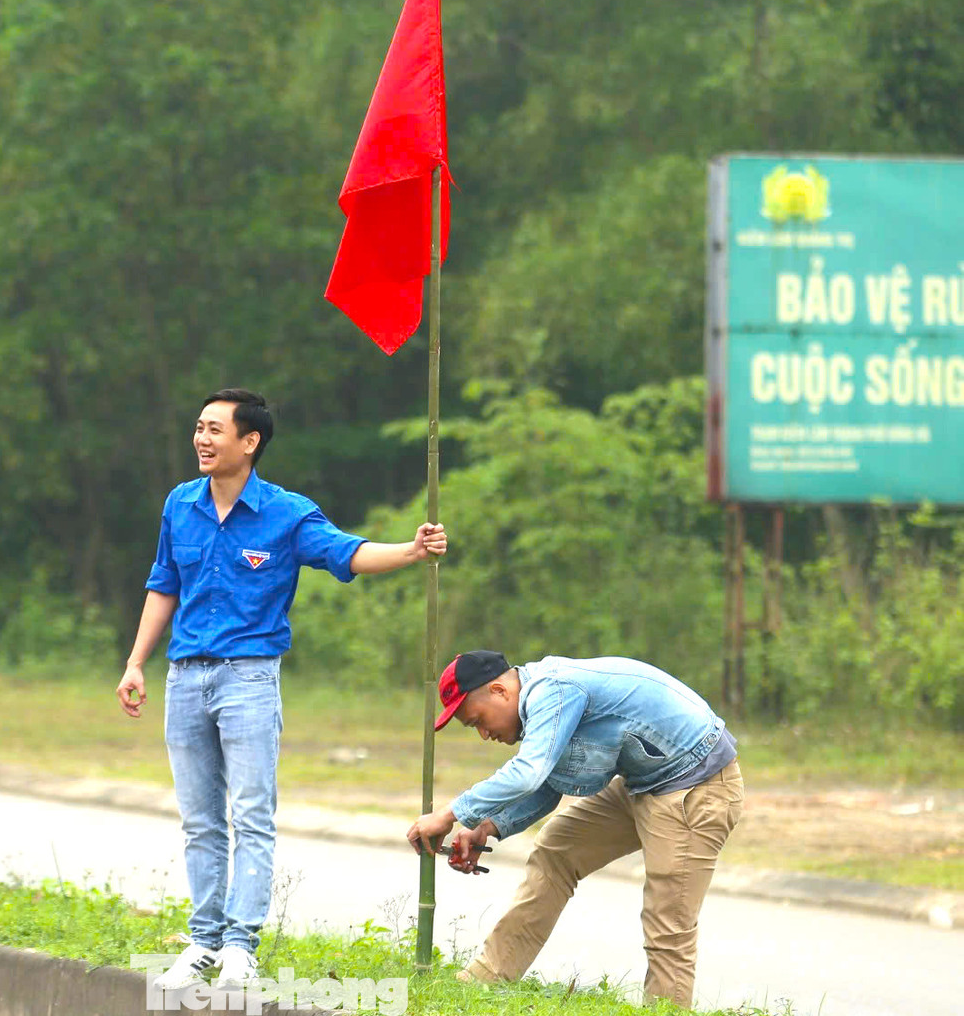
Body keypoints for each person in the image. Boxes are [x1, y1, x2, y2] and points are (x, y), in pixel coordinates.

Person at [119, 388, 446, 992]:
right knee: (199, 820)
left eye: (215, 429)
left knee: (251, 814)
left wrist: (411, 549)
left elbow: (348, 552)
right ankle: (202, 941)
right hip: (185, 677)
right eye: (199, 427)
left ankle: (240, 945)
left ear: (250, 442)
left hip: (248, 679)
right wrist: (136, 662)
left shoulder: (286, 513)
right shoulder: (180, 504)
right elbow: (163, 583)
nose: (202, 439)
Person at [406, 650, 743, 1008]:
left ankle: (665, 1011)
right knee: (556, 850)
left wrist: (450, 814)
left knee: (668, 920)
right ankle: (486, 979)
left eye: (478, 721)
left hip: (697, 785)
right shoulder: (544, 698)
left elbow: (529, 772)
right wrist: (487, 826)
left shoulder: (554, 690)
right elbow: (550, 780)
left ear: (500, 691)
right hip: (645, 783)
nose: (484, 734)